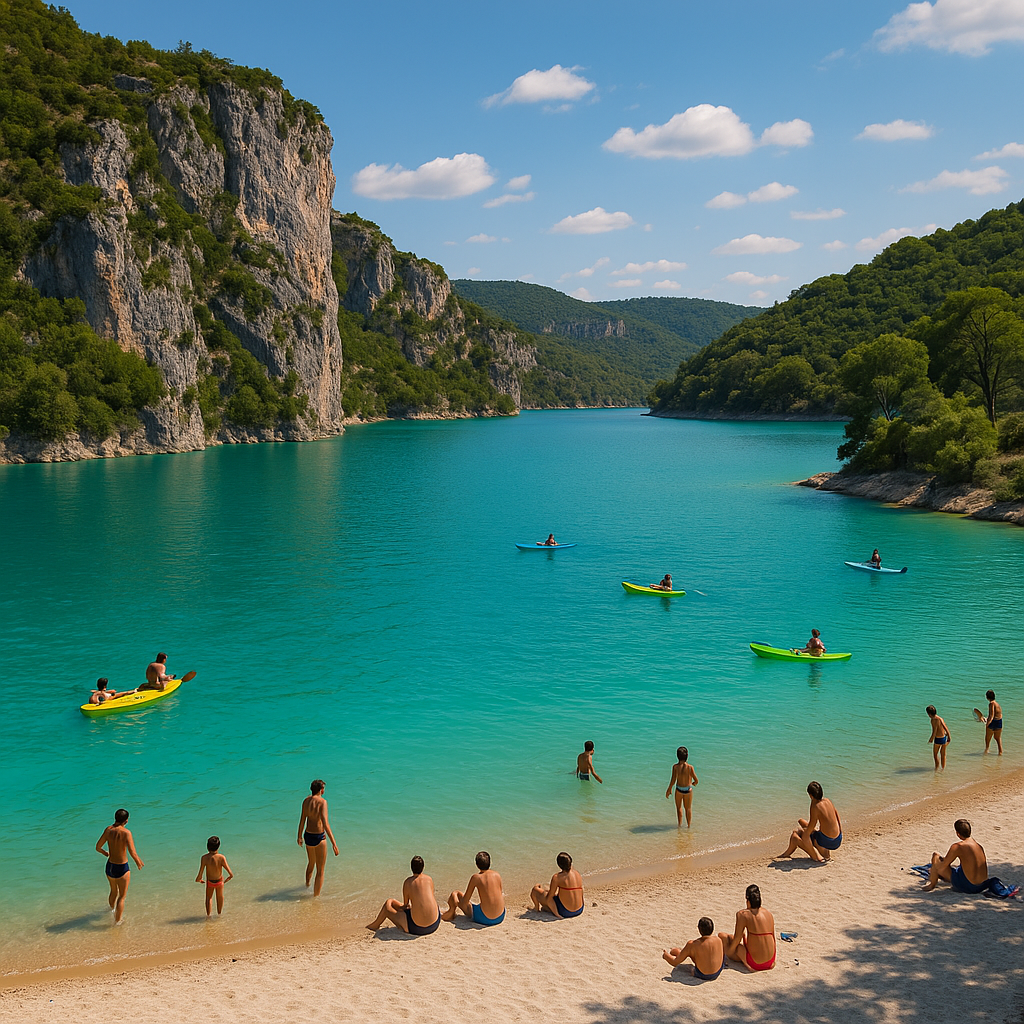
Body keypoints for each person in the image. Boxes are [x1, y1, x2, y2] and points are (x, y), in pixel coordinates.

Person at [366, 855, 442, 935]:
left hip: (417, 928)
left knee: (388, 905)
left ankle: (374, 926)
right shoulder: (429, 879)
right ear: (423, 867)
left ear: (411, 868)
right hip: (435, 923)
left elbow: (406, 905)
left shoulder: (408, 882)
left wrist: (399, 909)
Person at [95, 808, 143, 924]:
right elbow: (132, 852)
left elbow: (97, 847)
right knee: (122, 897)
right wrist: (138, 862)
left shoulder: (108, 830)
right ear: (126, 821)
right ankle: (117, 922)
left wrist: (105, 853)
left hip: (110, 866)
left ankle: (111, 911)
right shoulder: (126, 833)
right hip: (122, 867)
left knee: (113, 891)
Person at [775, 781, 842, 862]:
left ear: (811, 795)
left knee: (795, 836)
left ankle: (816, 857)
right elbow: (837, 816)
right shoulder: (828, 801)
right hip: (837, 839)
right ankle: (786, 854)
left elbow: (809, 829)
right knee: (801, 822)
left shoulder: (815, 807)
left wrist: (804, 834)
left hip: (826, 841)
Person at [297, 779, 339, 896]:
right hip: (319, 837)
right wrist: (334, 843)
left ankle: (307, 886)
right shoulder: (322, 802)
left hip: (308, 835)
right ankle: (315, 897)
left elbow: (302, 820)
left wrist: (299, 836)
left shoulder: (306, 801)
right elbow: (325, 824)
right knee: (320, 870)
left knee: (311, 863)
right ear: (321, 790)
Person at [720, 883, 775, 972]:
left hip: (755, 963)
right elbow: (773, 939)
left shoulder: (743, 914)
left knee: (723, 937)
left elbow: (737, 939)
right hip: (770, 961)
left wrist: (729, 953)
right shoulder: (768, 914)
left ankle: (748, 965)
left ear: (748, 901)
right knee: (730, 938)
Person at [924, 819, 989, 893]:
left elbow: (943, 867)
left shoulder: (958, 846)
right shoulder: (978, 846)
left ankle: (931, 885)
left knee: (935, 856)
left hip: (969, 887)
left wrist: (934, 869)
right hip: (982, 885)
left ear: (958, 833)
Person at [442, 851, 505, 926]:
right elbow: (500, 894)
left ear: (477, 865)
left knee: (456, 893)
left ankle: (451, 912)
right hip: (500, 916)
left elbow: (465, 901)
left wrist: (457, 902)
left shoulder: (476, 877)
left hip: (485, 918)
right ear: (490, 863)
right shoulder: (497, 874)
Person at [662, 917, 726, 981]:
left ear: (699, 929)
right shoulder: (718, 940)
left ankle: (681, 953)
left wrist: (665, 955)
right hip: (718, 971)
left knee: (691, 952)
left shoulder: (692, 944)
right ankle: (680, 953)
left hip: (703, 975)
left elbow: (675, 962)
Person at [530, 851, 584, 918]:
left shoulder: (557, 877)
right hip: (579, 909)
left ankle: (536, 908)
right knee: (547, 891)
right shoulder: (577, 874)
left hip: (566, 912)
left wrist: (557, 915)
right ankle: (547, 908)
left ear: (559, 865)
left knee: (535, 890)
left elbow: (549, 899)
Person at [196, 835, 234, 917]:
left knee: (208, 898)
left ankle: (208, 916)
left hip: (210, 882)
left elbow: (201, 871)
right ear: (218, 846)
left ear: (207, 847)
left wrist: (199, 879)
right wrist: (229, 877)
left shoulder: (204, 858)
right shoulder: (221, 857)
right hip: (219, 881)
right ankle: (219, 914)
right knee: (219, 897)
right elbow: (230, 873)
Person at [665, 746, 698, 827]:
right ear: (687, 756)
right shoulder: (690, 767)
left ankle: (679, 825)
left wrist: (669, 789)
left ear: (677, 756)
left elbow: (673, 780)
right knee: (688, 809)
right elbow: (696, 780)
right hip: (688, 790)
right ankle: (689, 826)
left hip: (679, 790)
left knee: (679, 808)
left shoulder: (675, 767)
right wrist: (694, 783)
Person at [983, 690, 1003, 755]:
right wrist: (986, 719)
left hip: (993, 722)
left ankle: (987, 750)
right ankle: (1000, 752)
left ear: (987, 697)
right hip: (999, 721)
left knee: (987, 738)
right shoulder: (997, 704)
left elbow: (991, 715)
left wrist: (987, 724)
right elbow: (996, 714)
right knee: (997, 738)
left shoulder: (991, 704)